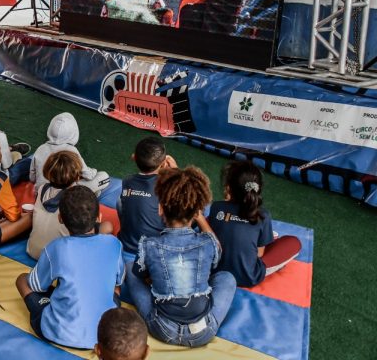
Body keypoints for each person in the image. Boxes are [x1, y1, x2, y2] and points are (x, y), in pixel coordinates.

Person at [126, 167, 236, 347]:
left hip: (162, 329)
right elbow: (217, 254)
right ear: (196, 212)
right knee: (227, 278)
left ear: (160, 208)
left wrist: (157, 277)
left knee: (130, 268)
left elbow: (139, 273)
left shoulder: (149, 245)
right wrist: (200, 219)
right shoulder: (208, 242)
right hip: (203, 331)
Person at [15, 186, 124, 349]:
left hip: (57, 332)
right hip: (105, 333)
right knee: (114, 289)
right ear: (99, 217)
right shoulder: (114, 243)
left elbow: (37, 285)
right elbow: (118, 281)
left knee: (22, 280)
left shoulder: (56, 247)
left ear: (60, 218)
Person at [208, 160, 302, 287]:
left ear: (228, 188)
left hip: (212, 272)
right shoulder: (263, 215)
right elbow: (259, 254)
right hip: (248, 276)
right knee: (293, 242)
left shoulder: (216, 207)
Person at [27, 151, 113, 260]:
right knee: (107, 226)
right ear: (78, 176)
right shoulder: (76, 199)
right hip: (60, 259)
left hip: (33, 250)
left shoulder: (41, 188)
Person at [116, 137, 175, 254]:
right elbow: (188, 193)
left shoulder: (127, 181)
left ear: (134, 157)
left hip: (125, 245)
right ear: (164, 164)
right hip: (153, 251)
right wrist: (176, 170)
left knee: (119, 201)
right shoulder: (167, 185)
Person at [30, 112, 110, 195]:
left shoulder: (40, 148)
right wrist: (93, 171)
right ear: (73, 132)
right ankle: (85, 194)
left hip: (40, 193)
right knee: (104, 177)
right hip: (66, 197)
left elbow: (32, 178)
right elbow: (88, 175)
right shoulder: (72, 151)